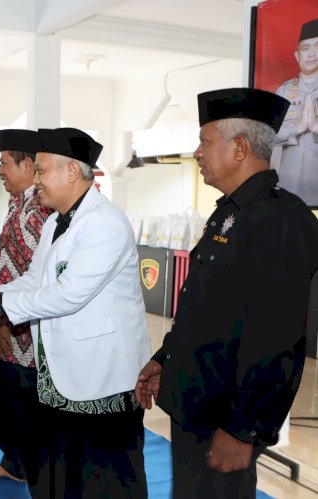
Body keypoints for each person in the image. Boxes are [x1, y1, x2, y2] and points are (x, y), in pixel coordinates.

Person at [136, 87, 318, 499]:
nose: (197, 152)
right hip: (196, 410)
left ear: (238, 148)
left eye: (204, 141)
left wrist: (243, 430)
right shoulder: (229, 213)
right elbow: (205, 311)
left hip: (225, 421)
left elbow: (277, 340)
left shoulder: (281, 221)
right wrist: (164, 359)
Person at [0, 127, 150, 497]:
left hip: (102, 378)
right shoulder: (55, 221)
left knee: (108, 479)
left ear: (72, 173)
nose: (37, 179)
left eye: (42, 170)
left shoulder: (104, 222)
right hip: (64, 376)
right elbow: (34, 277)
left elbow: (69, 294)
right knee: (67, 475)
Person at [0, 129, 52, 483]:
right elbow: (4, 259)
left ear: (27, 164)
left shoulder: (40, 207)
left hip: (23, 325)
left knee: (25, 397)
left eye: (4, 163)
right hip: (3, 317)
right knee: (8, 395)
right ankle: (13, 461)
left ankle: (27, 467)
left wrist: (2, 316)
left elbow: (37, 275)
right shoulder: (18, 201)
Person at [271, 19, 318, 207]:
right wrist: (296, 128)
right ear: (297, 55)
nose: (312, 53)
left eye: (317, 46)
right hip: (287, 190)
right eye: (306, 48)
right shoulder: (283, 92)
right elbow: (267, 135)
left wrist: (316, 127)